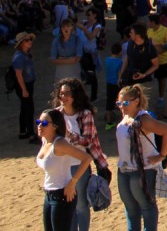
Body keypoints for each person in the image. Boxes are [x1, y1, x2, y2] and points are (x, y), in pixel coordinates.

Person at [52, 78, 110, 231]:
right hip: (60, 166)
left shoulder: (85, 114)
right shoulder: (56, 114)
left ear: (75, 95)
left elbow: (88, 141)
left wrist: (69, 135)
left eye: (67, 94)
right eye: (61, 93)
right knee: (66, 206)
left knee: (81, 206)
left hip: (79, 166)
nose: (63, 97)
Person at [115, 84, 167, 231]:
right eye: (119, 103)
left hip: (143, 170)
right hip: (124, 170)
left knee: (147, 208)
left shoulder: (144, 119)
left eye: (126, 103)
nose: (122, 106)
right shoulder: (126, 116)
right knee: (131, 209)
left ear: (136, 101)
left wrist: (162, 155)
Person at [35, 108, 93, 231]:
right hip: (49, 195)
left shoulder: (60, 143)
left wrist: (72, 183)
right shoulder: (45, 140)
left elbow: (87, 158)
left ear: (55, 126)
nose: (40, 126)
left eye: (44, 123)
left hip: (62, 195)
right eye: (38, 122)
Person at [13, 31, 40, 143]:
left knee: (25, 108)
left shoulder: (26, 54)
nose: (29, 42)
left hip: (26, 84)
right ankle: (31, 135)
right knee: (29, 109)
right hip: (24, 85)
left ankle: (23, 132)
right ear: (21, 43)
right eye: (27, 40)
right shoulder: (19, 57)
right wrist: (24, 89)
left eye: (30, 39)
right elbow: (18, 74)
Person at [51, 19, 83, 84]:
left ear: (72, 27)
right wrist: (70, 59)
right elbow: (53, 59)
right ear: (61, 28)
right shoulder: (56, 41)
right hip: (60, 72)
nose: (66, 28)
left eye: (68, 26)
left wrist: (61, 59)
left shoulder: (77, 39)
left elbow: (77, 58)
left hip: (74, 70)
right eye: (63, 26)